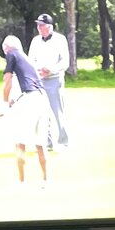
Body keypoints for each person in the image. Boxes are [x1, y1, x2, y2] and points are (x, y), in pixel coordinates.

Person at [0, 34, 48, 187]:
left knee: (20, 140)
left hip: (29, 100)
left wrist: (4, 103)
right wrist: (12, 101)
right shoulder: (26, 59)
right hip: (42, 98)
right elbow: (27, 83)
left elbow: (7, 80)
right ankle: (45, 180)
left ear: (6, 48)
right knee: (40, 142)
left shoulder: (11, 54)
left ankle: (21, 181)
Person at [28, 11, 69, 152]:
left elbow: (65, 61)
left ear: (49, 26)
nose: (39, 28)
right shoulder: (35, 41)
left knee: (57, 111)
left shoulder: (60, 40)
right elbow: (31, 59)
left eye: (42, 25)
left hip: (54, 79)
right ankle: (47, 142)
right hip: (39, 80)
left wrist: (51, 70)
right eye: (38, 25)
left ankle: (63, 142)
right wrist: (37, 71)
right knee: (42, 113)